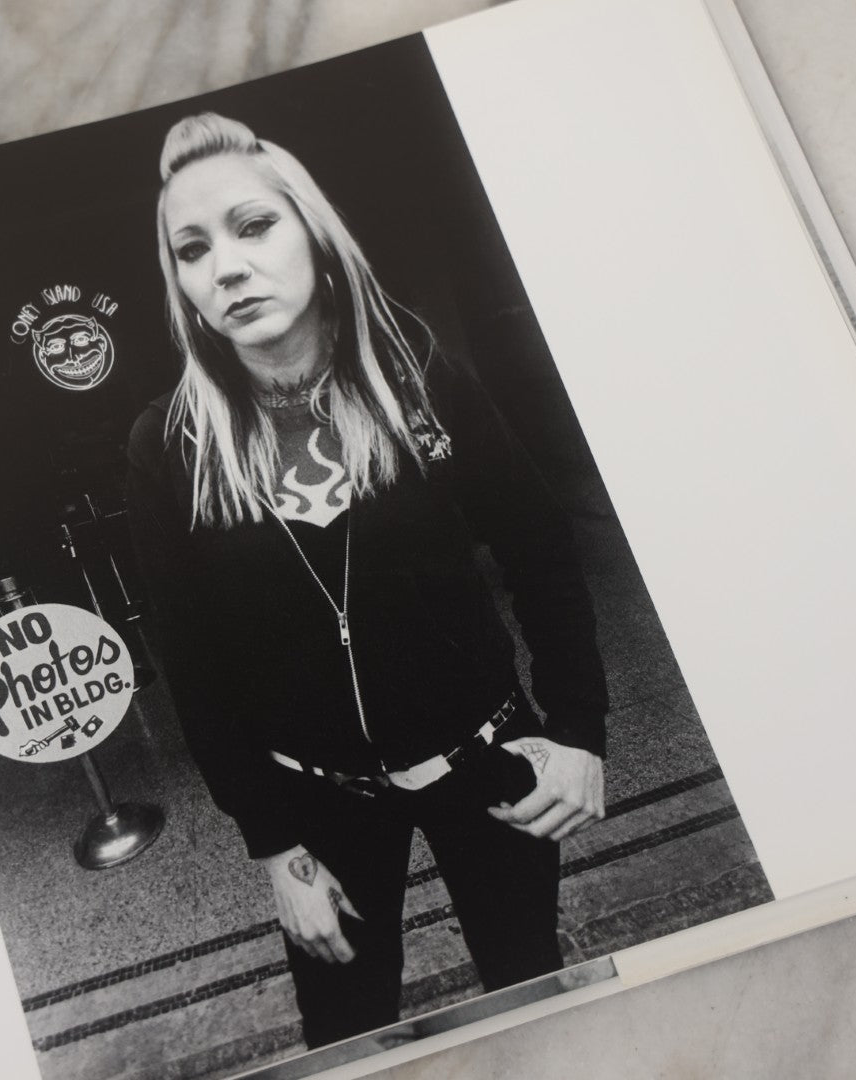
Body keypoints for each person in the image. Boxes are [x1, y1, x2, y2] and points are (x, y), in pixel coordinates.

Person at [125, 112, 609, 1049]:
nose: (225, 266)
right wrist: (270, 844)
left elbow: (541, 550)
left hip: (486, 764)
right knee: (346, 1029)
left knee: (531, 997)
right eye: (192, 249)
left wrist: (579, 731)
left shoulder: (421, 378)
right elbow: (192, 661)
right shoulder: (170, 446)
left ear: (313, 231)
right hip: (315, 803)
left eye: (253, 226)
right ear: (181, 284)